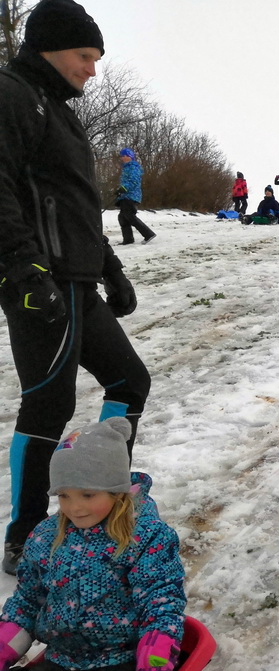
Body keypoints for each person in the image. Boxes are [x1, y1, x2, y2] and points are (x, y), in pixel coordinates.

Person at [0, 0, 150, 576]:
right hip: (41, 280)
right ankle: (25, 535)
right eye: (85, 56)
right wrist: (22, 269)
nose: (92, 69)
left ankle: (104, 499)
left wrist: (110, 266)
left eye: (97, 58)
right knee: (49, 403)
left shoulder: (60, 112)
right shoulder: (13, 94)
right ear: (50, 47)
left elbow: (75, 205)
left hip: (79, 279)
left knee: (129, 382)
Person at [0, 417, 186, 671]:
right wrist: (2, 650)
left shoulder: (145, 538)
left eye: (87, 494)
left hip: (120, 662)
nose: (75, 507)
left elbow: (161, 606)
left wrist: (154, 667)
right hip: (62, 659)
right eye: (64, 495)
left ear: (116, 491)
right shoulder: (46, 536)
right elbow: (27, 602)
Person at [115, 147, 156, 245]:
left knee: (129, 215)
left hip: (131, 195)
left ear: (129, 156)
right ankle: (128, 239)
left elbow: (134, 181)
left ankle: (148, 234)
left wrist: (124, 188)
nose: (122, 158)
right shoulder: (126, 168)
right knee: (122, 217)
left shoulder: (133, 167)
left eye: (123, 156)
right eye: (121, 156)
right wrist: (120, 190)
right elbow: (126, 182)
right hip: (126, 195)